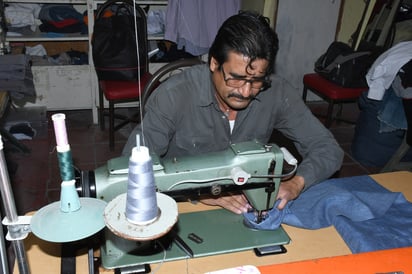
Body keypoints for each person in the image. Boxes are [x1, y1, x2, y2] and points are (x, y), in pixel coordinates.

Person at [123, 11, 343, 214]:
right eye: (236, 78)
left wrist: (297, 183)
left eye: (257, 80)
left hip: (245, 204)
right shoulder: (172, 97)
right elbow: (129, 171)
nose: (246, 91)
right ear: (213, 63)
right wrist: (200, 193)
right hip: (183, 205)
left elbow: (328, 149)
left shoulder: (277, 93)